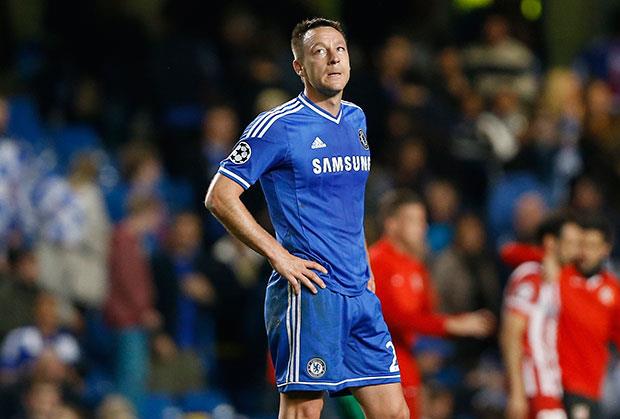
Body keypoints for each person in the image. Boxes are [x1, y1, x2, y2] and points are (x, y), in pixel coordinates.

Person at [205, 17, 409, 419]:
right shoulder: (278, 126)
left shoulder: (356, 118)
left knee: (395, 413)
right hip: (312, 293)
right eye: (319, 51)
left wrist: (364, 263)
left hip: (359, 292)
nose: (333, 58)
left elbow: (348, 201)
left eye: (340, 49)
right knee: (304, 411)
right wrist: (277, 255)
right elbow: (219, 196)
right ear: (299, 66)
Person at [368, 190, 495, 417]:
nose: (423, 227)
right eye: (414, 221)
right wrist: (453, 325)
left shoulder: (416, 266)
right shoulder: (376, 261)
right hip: (374, 358)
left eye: (423, 220)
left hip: (406, 356)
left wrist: (460, 323)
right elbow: (390, 316)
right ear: (392, 224)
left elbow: (426, 315)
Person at [500, 212, 581, 419]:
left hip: (551, 384)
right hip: (534, 383)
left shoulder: (556, 281)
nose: (576, 251)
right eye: (571, 243)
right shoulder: (531, 277)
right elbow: (511, 334)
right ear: (551, 243)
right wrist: (516, 391)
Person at [558, 213, 620, 418]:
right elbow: (509, 252)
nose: (585, 253)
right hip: (555, 383)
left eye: (593, 246)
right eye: (582, 245)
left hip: (588, 387)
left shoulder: (613, 291)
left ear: (605, 249)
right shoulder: (561, 275)